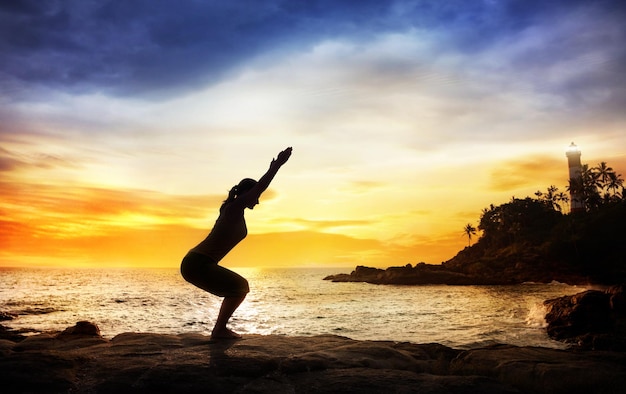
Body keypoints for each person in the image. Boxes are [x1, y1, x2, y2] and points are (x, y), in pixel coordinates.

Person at [181, 147, 293, 339]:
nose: (257, 202)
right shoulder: (233, 208)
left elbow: (255, 191)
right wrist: (277, 166)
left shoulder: (232, 210)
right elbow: (260, 187)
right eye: (255, 197)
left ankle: (219, 330)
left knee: (236, 288)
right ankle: (219, 331)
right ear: (247, 194)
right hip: (197, 263)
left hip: (198, 263)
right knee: (240, 287)